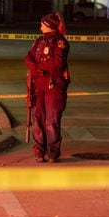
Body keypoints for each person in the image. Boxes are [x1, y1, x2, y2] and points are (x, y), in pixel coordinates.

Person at [25, 13, 70, 163]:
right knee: (38, 118)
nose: (40, 27)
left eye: (42, 24)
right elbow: (28, 57)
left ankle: (53, 152)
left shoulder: (60, 43)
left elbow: (57, 63)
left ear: (49, 26)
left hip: (54, 86)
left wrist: (37, 67)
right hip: (38, 86)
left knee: (52, 121)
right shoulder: (39, 41)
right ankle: (39, 151)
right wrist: (35, 68)